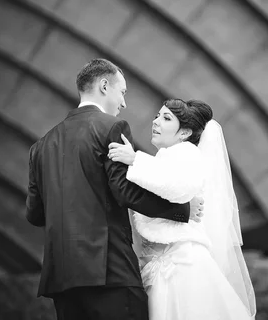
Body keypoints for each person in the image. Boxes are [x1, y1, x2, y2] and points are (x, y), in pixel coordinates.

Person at [26, 59, 204, 320]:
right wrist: (182, 210)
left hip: (61, 278)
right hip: (108, 270)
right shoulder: (111, 127)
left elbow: (34, 214)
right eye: (122, 92)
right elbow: (125, 192)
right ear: (104, 86)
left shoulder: (40, 147)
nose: (123, 103)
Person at [107, 99, 257, 320]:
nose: (156, 122)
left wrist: (134, 159)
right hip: (164, 264)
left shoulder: (186, 153)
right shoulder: (166, 157)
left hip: (182, 266)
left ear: (185, 133)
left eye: (166, 118)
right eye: (157, 116)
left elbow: (178, 188)